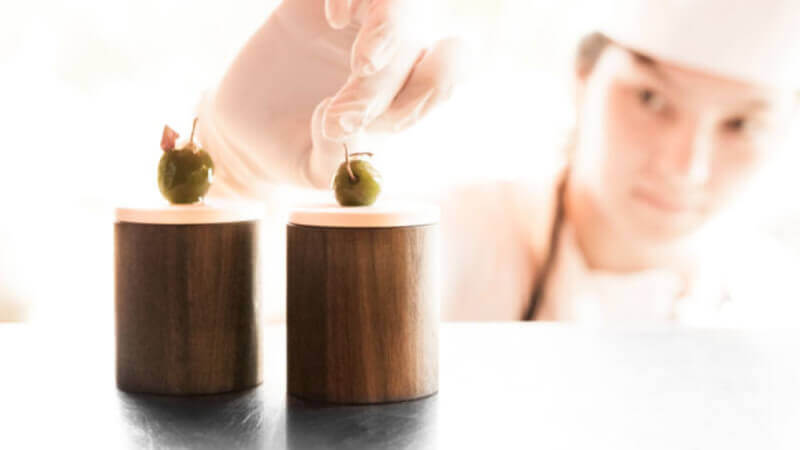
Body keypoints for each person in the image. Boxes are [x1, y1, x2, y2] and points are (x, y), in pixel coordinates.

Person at [196, 0, 800, 327]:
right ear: (584, 76)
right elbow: (255, 343)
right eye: (650, 98)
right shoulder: (440, 242)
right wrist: (234, 177)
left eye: (742, 124)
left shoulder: (778, 308)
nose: (684, 165)